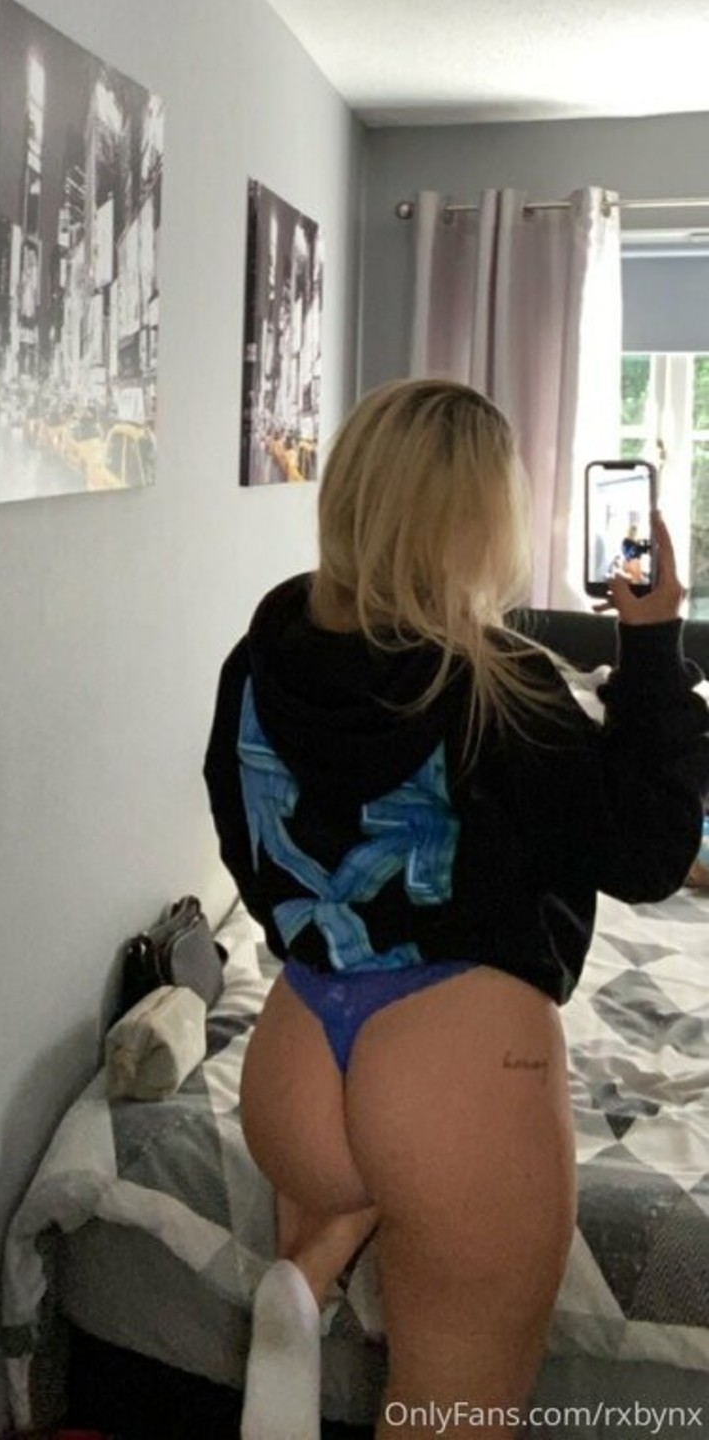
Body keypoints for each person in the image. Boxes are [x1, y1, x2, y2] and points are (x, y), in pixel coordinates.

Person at [203, 378, 708, 1440]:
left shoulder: (257, 661)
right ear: (483, 524)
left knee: (375, 1175)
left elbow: (242, 837)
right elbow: (648, 855)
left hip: (297, 1056)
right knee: (452, 1415)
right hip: (456, 1075)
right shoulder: (504, 685)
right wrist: (655, 642)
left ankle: (314, 1269)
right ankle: (344, 1241)